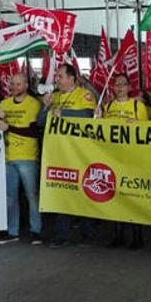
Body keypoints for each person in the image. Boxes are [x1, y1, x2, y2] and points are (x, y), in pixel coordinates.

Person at [37, 64, 98, 247]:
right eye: (57, 76)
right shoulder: (54, 96)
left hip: (80, 153)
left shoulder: (83, 95)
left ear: (71, 78)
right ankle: (62, 234)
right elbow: (40, 122)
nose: (57, 79)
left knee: (83, 192)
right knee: (63, 192)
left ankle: (88, 233)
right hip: (59, 154)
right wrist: (46, 107)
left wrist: (64, 113)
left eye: (60, 76)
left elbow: (88, 116)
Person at [99, 73, 149, 249]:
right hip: (112, 157)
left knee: (133, 196)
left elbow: (149, 133)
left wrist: (138, 124)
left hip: (132, 159)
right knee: (113, 196)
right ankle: (118, 234)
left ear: (129, 87)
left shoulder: (138, 106)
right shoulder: (108, 106)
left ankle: (137, 236)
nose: (119, 87)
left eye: (122, 84)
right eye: (116, 84)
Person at [0, 73, 44, 246]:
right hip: (7, 157)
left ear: (26, 85)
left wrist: (9, 127)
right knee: (10, 197)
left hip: (28, 157)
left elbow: (33, 131)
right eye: (12, 84)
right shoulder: (4, 103)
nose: (14, 87)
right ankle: (12, 231)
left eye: (18, 84)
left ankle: (36, 231)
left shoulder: (34, 104)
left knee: (32, 196)